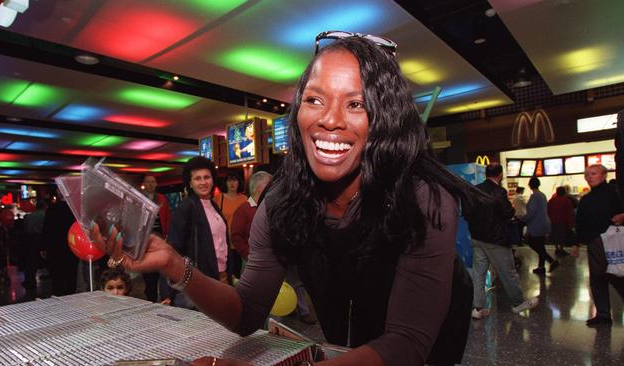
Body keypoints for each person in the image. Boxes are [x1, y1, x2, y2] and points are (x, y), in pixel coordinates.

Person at [95, 33, 481, 366]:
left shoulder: (424, 197)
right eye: (315, 100)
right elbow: (247, 312)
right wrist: (174, 263)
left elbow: (407, 344)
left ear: (385, 119)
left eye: (356, 104)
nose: (329, 120)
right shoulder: (283, 199)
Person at [158, 157, 231, 308]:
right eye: (197, 179)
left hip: (221, 277)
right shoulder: (186, 207)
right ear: (190, 183)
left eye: (207, 177)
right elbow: (174, 249)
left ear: (213, 180)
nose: (203, 182)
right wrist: (167, 291)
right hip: (200, 280)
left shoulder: (214, 206)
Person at [469, 163, 539, 319]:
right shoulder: (499, 191)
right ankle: (518, 303)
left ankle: (478, 308)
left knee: (479, 274)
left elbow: (467, 212)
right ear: (500, 175)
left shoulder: (474, 190)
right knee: (508, 272)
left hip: (477, 238)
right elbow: (508, 212)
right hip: (496, 239)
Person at [573, 164, 624, 326]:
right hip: (596, 242)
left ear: (604, 175)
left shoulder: (616, 193)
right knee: (598, 277)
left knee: (618, 276)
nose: (589, 177)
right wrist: (576, 242)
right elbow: (580, 222)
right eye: (587, 174)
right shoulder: (586, 199)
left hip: (615, 241)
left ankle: (603, 314)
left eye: (593, 173)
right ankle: (603, 314)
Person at [519, 177, 558, 275]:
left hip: (536, 224)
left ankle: (551, 260)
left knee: (532, 243)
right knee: (540, 245)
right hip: (544, 222)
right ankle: (541, 267)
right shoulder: (543, 195)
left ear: (529, 185)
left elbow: (532, 212)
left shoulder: (534, 197)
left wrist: (523, 219)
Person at [230, 171, 272, 261]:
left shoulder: (269, 206)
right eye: (269, 185)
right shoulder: (243, 210)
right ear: (258, 188)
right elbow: (236, 236)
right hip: (253, 261)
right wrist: (248, 255)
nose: (272, 188)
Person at [141, 175, 171, 302]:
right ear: (144, 184)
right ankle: (151, 297)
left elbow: (168, 218)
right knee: (148, 271)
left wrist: (167, 236)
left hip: (160, 238)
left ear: (156, 184)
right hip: (145, 240)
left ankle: (163, 297)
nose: (150, 184)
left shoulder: (162, 198)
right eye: (148, 182)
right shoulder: (140, 198)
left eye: (153, 182)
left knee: (162, 271)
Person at [43, 191, 77, 296]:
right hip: (72, 246)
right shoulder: (74, 209)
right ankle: (70, 295)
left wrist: (44, 247)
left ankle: (58, 297)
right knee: (71, 274)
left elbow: (46, 230)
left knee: (57, 276)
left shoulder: (51, 209)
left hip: (55, 247)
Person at [214, 173, 248, 278]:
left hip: (241, 242)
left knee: (239, 273)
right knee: (226, 273)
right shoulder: (218, 199)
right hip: (224, 243)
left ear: (239, 182)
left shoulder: (244, 199)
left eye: (235, 180)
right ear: (225, 183)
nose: (232, 183)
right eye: (229, 180)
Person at [20, 199, 47, 290]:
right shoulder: (45, 216)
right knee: (43, 259)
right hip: (42, 238)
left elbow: (25, 229)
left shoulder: (28, 216)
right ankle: (47, 274)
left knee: (30, 261)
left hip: (30, 240)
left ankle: (30, 280)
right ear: (44, 207)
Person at [547, 186, 574, 256]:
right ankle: (561, 249)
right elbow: (570, 212)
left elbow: (548, 211)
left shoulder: (552, 200)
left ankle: (557, 249)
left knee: (555, 235)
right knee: (562, 236)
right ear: (564, 192)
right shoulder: (566, 200)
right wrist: (571, 223)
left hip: (553, 221)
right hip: (563, 221)